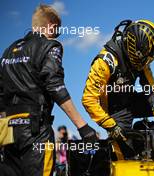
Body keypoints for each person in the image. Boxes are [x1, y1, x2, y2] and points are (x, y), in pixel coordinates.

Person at [0, 4, 97, 176]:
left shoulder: (8, 51)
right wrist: (82, 126)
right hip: (36, 130)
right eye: (57, 31)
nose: (57, 35)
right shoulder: (50, 46)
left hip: (7, 132)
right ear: (51, 25)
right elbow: (55, 86)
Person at [82, 19, 154, 145]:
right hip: (115, 111)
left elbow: (151, 89)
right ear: (135, 48)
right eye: (145, 57)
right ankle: (139, 145)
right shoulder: (105, 61)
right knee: (126, 154)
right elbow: (88, 99)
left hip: (131, 101)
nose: (147, 62)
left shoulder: (141, 61)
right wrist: (111, 126)